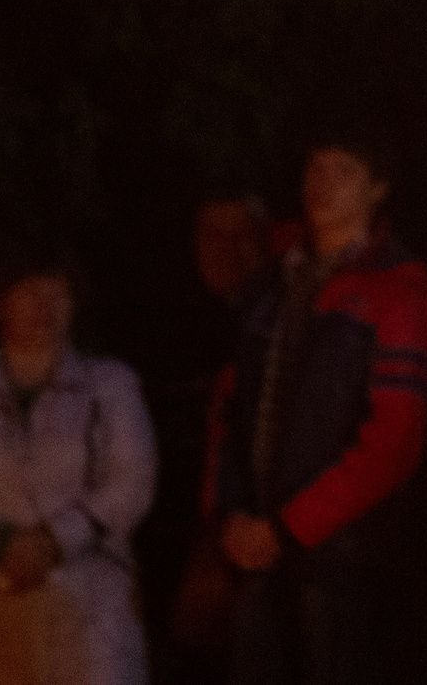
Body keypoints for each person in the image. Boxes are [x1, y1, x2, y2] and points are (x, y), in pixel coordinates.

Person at [208, 134, 427, 685]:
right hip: (253, 546)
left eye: (343, 169)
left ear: (377, 189)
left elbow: (394, 441)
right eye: (315, 165)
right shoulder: (271, 281)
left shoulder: (398, 290)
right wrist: (227, 517)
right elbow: (229, 406)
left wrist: (291, 527)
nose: (322, 181)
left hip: (340, 558)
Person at [0, 248, 158, 685]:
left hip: (90, 614)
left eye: (59, 294)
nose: (47, 306)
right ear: (1, 303)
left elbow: (131, 482)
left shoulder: (111, 386)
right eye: (32, 293)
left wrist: (53, 541)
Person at [142, 190, 273, 676]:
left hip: (233, 541)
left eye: (245, 236)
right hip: (158, 534)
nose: (230, 249)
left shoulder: (274, 325)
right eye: (215, 235)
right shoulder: (161, 320)